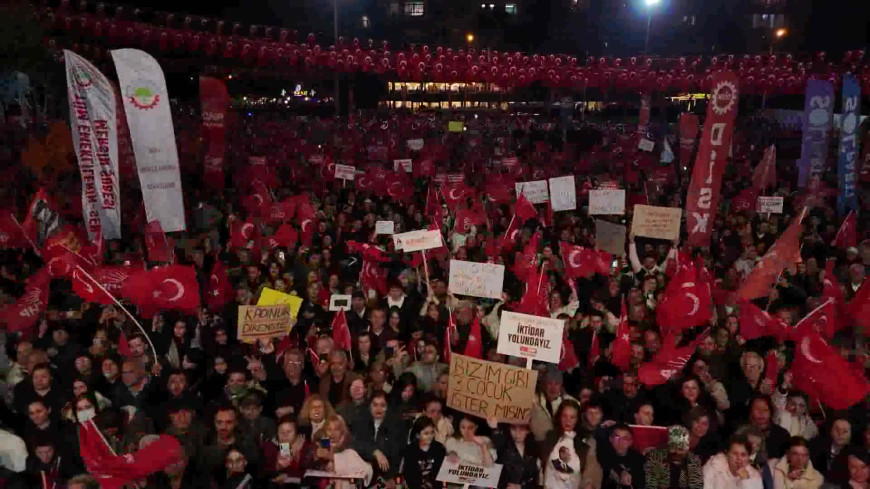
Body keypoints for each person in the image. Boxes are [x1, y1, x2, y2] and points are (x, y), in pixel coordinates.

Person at [541, 399, 603, 489]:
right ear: (559, 417)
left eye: (572, 417)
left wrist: (589, 483)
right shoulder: (550, 437)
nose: (568, 421)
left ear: (578, 419)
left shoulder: (586, 443)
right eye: (564, 416)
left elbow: (592, 469)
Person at [353, 390, 406, 487]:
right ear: (369, 406)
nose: (379, 409)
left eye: (382, 405)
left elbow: (397, 454)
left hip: (386, 474)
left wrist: (391, 477)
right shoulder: (362, 420)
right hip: (363, 472)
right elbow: (357, 444)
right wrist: (375, 451)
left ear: (387, 407)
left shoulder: (396, 426)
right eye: (375, 405)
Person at [307, 414, 373, 489]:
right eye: (329, 429)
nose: (332, 433)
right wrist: (316, 457)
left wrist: (344, 479)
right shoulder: (320, 446)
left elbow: (363, 477)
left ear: (342, 431)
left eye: (336, 429)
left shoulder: (350, 451)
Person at [487, 417, 540, 489]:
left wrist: (521, 487)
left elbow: (535, 479)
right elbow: (499, 444)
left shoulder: (534, 450)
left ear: (528, 430)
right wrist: (494, 428)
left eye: (521, 429)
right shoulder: (505, 447)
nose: (517, 433)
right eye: (514, 429)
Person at [261, 416, 307, 487]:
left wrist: (289, 475)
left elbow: (308, 473)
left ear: (296, 433)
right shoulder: (272, 446)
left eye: (289, 432)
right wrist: (277, 468)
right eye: (281, 432)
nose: (285, 435)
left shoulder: (306, 446)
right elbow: (265, 472)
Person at [402, 416, 446, 489]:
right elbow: (410, 475)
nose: (430, 436)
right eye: (426, 433)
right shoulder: (410, 450)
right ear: (418, 435)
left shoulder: (439, 448)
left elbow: (439, 473)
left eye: (432, 433)